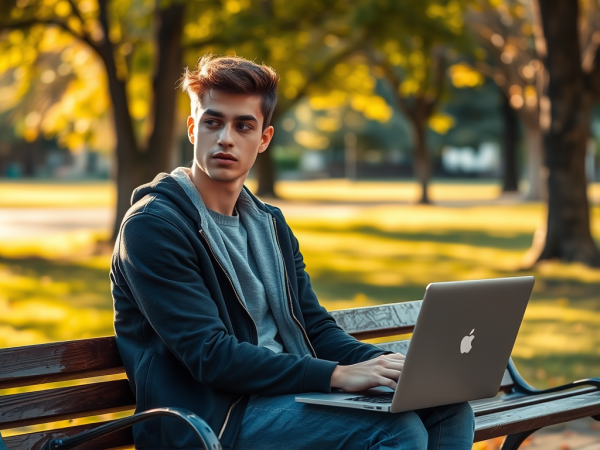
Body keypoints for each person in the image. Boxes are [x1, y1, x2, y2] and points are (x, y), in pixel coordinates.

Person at [110, 54, 475, 450]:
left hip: (286, 397)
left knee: (449, 409)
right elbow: (209, 355)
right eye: (213, 122)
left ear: (264, 138)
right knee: (395, 430)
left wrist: (396, 368)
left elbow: (314, 328)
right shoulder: (152, 227)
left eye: (243, 125)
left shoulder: (268, 223)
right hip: (212, 419)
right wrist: (336, 376)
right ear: (193, 129)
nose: (226, 138)